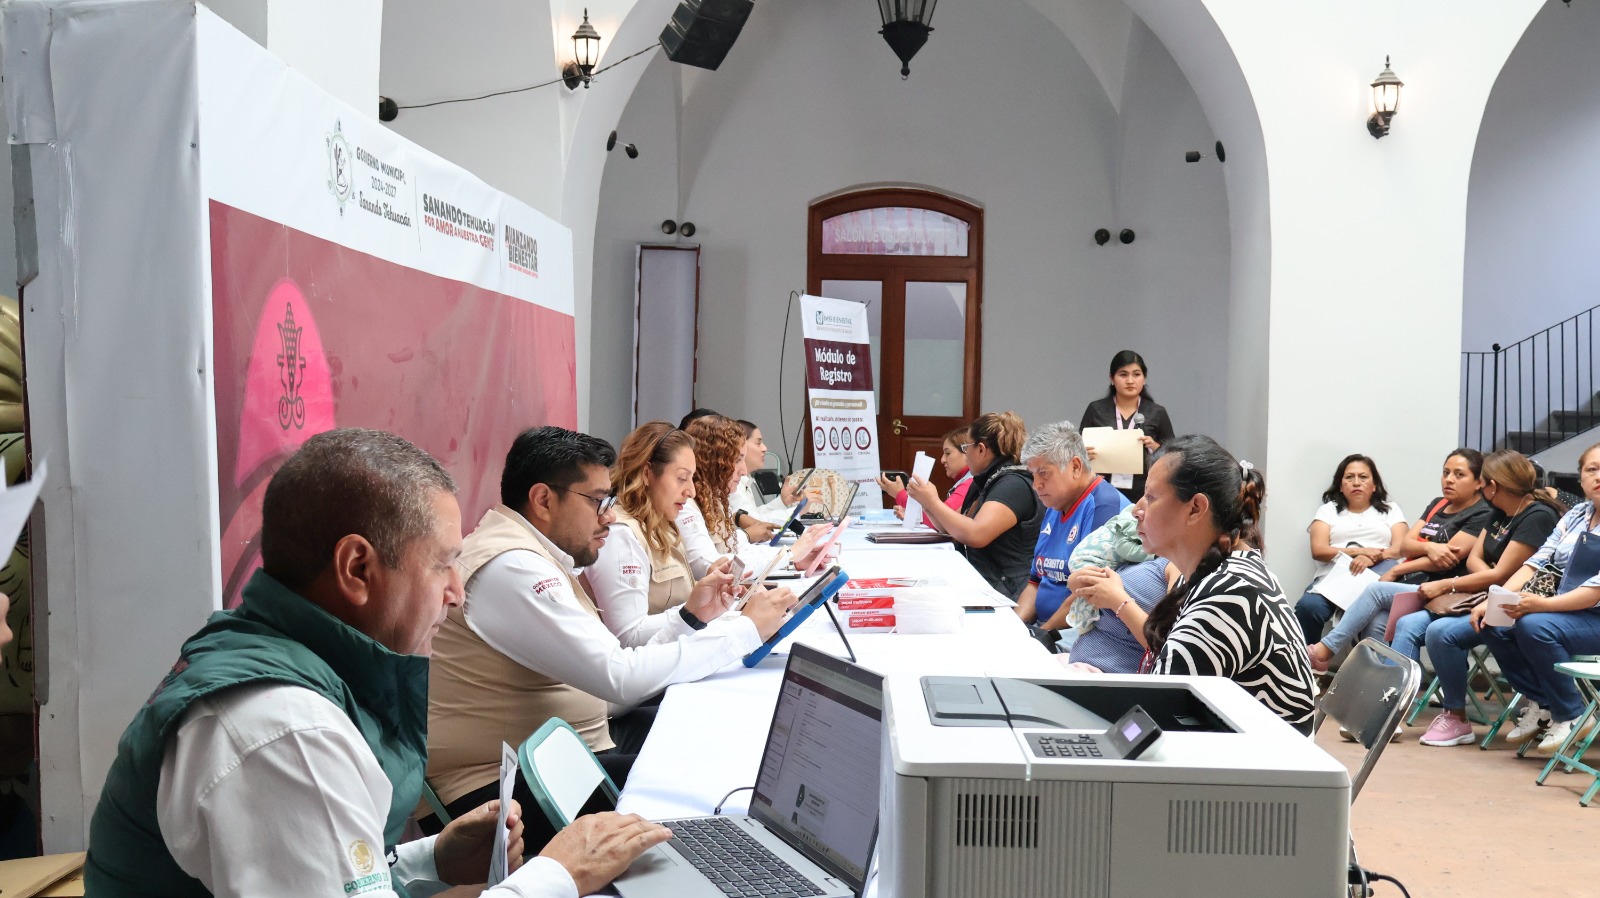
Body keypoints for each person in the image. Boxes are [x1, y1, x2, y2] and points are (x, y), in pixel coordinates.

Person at [85, 428, 672, 897]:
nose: (456, 591)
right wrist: (558, 875)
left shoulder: (285, 658)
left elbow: (322, 870)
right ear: (358, 569)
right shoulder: (283, 732)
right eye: (442, 564)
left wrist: (430, 857)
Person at [427, 426, 797, 844]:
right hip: (500, 792)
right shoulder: (512, 567)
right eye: (598, 501)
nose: (609, 515)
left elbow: (614, 665)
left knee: (714, 756)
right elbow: (620, 677)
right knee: (712, 800)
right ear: (543, 500)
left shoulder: (532, 552)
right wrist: (743, 632)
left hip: (562, 759)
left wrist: (692, 618)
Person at [1134, 435, 1317, 734]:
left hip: (1258, 771)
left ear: (1195, 508)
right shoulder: (1221, 571)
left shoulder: (1229, 595)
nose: (1137, 509)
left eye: (1151, 498)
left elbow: (1155, 719)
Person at [1411, 450, 1562, 747]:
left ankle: (1539, 701)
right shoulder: (1499, 511)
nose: (1480, 487)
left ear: (1493, 485)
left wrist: (1458, 582)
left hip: (1522, 603)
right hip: (1487, 597)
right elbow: (1475, 561)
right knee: (1424, 628)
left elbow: (1503, 573)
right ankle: (1454, 715)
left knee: (1446, 633)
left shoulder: (1537, 515)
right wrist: (1492, 575)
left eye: (1482, 482)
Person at [1309, 448, 1493, 670]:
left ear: (1478, 482)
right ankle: (1382, 687)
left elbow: (1449, 558)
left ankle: (1326, 649)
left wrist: (1398, 569)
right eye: (1445, 473)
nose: (1449, 480)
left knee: (1375, 590)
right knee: (1376, 623)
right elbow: (1406, 545)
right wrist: (1433, 547)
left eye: (1459, 474)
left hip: (1444, 590)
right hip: (1415, 583)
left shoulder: (1482, 512)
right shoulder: (1438, 504)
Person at [1472, 441, 1600, 755]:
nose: (1598, 476)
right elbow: (1537, 562)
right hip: (1565, 612)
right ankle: (1546, 704)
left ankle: (1571, 713)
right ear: (1581, 477)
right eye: (1592, 469)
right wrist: (1496, 600)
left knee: (1534, 625)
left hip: (1590, 614)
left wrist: (1540, 605)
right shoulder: (1576, 515)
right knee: (1494, 623)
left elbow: (1596, 589)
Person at [584, 422, 741, 647]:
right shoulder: (621, 535)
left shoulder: (660, 524)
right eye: (681, 478)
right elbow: (627, 637)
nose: (692, 491)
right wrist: (695, 611)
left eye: (692, 478)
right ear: (647, 473)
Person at [905, 412, 1043, 599]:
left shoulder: (1013, 485)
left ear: (981, 449)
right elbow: (953, 527)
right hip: (986, 581)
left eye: (965, 447)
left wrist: (933, 501)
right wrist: (926, 503)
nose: (965, 453)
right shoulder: (984, 481)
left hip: (1008, 589)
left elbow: (976, 534)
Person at [1013, 421, 1129, 631]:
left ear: (1075, 466)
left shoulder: (1104, 506)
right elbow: (1035, 582)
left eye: (1044, 473)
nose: (1036, 484)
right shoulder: (1055, 506)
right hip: (1044, 629)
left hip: (1080, 633)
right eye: (1033, 475)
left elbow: (1086, 595)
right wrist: (1013, 628)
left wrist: (1041, 635)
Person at [1293, 454, 1408, 643]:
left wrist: (1373, 558)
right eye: (1349, 477)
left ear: (1374, 485)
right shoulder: (1328, 511)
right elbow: (1319, 550)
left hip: (1378, 578)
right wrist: (1358, 552)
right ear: (1340, 485)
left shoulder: (1391, 509)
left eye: (1363, 477)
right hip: (1334, 578)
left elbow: (1401, 548)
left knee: (1376, 620)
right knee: (1308, 607)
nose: (1356, 483)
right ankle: (1309, 662)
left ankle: (1367, 668)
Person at [1060, 509, 1178, 674]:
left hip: (1107, 676)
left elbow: (1170, 649)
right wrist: (1077, 581)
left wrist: (1118, 601)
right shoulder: (1140, 551)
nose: (1136, 509)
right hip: (1075, 660)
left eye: (1151, 497)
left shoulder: (1178, 566)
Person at [1079, 350, 1176, 501]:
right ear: (1112, 378)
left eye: (1136, 374)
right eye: (1123, 374)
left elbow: (1173, 455)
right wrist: (1083, 453)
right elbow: (1077, 449)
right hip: (1102, 488)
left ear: (1144, 378)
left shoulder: (1156, 412)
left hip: (1144, 490)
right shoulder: (1096, 409)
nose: (1130, 380)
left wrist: (1155, 448)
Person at [876, 426, 972, 528]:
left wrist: (900, 494)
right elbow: (942, 519)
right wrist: (914, 515)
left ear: (967, 452)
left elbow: (943, 522)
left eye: (948, 453)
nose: (942, 459)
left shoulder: (969, 483)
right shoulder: (967, 481)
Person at [730, 419, 808, 541]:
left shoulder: (744, 479)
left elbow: (754, 515)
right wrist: (796, 513)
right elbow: (755, 524)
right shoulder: (731, 483)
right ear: (741, 445)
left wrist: (782, 501)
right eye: (758, 443)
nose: (764, 448)